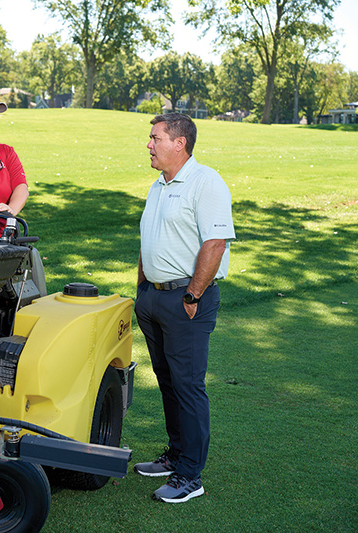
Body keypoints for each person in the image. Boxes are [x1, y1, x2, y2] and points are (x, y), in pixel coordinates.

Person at [133, 113, 236, 503]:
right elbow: (148, 238)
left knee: (188, 385)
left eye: (155, 138)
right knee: (167, 380)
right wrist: (142, 288)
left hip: (186, 301)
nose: (149, 144)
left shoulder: (205, 181)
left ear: (179, 143)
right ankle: (176, 455)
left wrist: (191, 296)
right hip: (154, 298)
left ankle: (190, 474)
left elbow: (215, 244)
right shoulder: (159, 185)